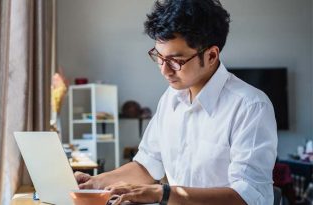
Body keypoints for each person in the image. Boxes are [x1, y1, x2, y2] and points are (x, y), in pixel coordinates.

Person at [74, 0, 278, 204]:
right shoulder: (171, 98)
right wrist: (94, 183)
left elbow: (248, 196)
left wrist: (162, 193)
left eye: (176, 61)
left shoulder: (250, 106)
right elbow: (147, 165)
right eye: (159, 57)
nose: (164, 70)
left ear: (211, 55)